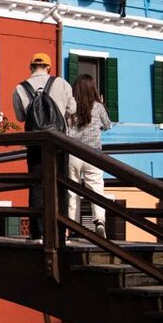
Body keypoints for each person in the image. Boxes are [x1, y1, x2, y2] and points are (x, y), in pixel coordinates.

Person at [11, 52, 75, 240]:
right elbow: (72, 109)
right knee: (60, 184)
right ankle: (60, 233)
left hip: (35, 143)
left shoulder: (20, 88)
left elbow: (20, 117)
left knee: (37, 186)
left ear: (31, 67)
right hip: (58, 142)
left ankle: (37, 232)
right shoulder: (62, 84)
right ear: (48, 67)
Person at [65, 74, 114, 238]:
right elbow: (108, 125)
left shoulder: (70, 107)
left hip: (72, 153)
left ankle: (71, 227)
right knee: (96, 189)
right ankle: (99, 221)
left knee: (72, 192)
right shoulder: (98, 107)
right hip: (93, 154)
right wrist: (102, 104)